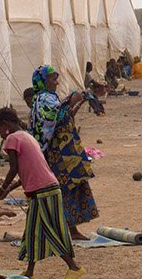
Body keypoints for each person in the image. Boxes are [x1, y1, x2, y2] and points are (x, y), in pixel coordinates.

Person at [0, 106, 84, 279]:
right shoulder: (27, 136)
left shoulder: (12, 139)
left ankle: (74, 267)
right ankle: (30, 272)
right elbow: (27, 170)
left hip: (43, 191)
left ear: (6, 124)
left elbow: (14, 169)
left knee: (50, 230)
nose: (0, 135)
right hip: (47, 188)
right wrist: (10, 189)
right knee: (33, 232)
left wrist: (1, 190)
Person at [28, 65, 104, 239]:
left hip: (66, 153)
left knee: (72, 188)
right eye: (52, 79)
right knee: (62, 191)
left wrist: (76, 102)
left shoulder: (50, 98)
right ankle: (64, 231)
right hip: (57, 156)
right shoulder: (42, 100)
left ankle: (72, 230)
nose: (56, 82)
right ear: (42, 81)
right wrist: (71, 100)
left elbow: (64, 115)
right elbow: (53, 120)